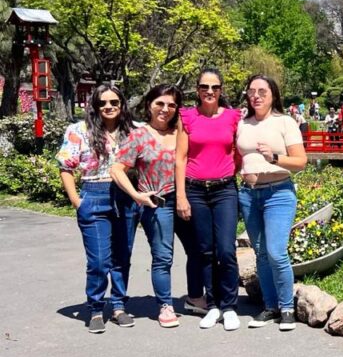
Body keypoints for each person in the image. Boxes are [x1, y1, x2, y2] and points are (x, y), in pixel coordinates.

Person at [58, 83, 140, 333]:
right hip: (93, 195)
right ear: (94, 105)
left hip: (125, 198)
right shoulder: (78, 130)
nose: (108, 106)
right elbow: (65, 167)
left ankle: (118, 306)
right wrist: (77, 201)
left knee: (122, 257)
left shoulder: (135, 130)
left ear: (122, 104)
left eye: (114, 102)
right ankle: (95, 308)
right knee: (99, 261)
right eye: (102, 102)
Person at [110, 84, 185, 329]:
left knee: (198, 251)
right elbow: (116, 169)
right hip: (155, 202)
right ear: (149, 105)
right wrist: (136, 195)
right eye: (160, 103)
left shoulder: (182, 132)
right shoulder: (139, 135)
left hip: (184, 199)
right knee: (159, 256)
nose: (165, 109)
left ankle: (197, 297)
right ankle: (164, 305)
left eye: (171, 105)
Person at [237, 75, 308, 331]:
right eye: (251, 91)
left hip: (278, 193)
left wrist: (275, 157)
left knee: (277, 252)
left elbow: (300, 162)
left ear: (273, 95)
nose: (256, 96)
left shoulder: (285, 122)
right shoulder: (242, 123)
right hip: (248, 194)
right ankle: (270, 306)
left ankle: (287, 307)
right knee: (261, 253)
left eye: (262, 91)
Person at [175, 68, 242, 331]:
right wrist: (181, 195)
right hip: (195, 190)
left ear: (221, 90)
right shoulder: (188, 117)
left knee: (226, 249)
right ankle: (213, 305)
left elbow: (238, 153)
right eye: (204, 87)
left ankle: (230, 306)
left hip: (224, 190)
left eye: (215, 87)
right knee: (205, 250)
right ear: (198, 90)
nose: (210, 91)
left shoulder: (233, 117)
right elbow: (180, 158)